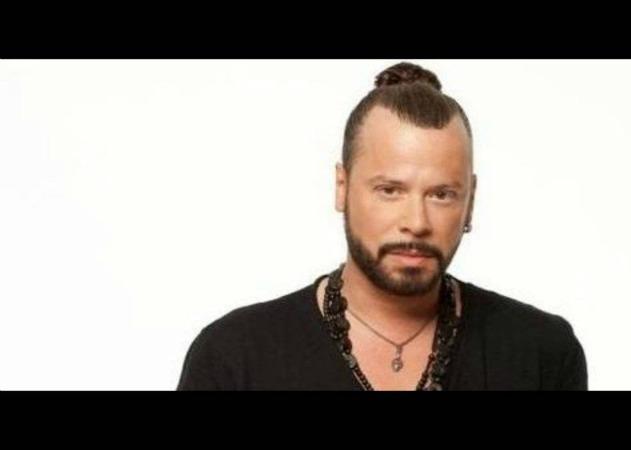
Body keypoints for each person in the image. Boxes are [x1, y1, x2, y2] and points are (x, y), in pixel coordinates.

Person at [177, 62, 587, 390]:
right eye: (390, 190)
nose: (416, 223)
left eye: (441, 194)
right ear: (342, 188)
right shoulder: (235, 356)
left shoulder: (541, 352)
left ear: (470, 202)